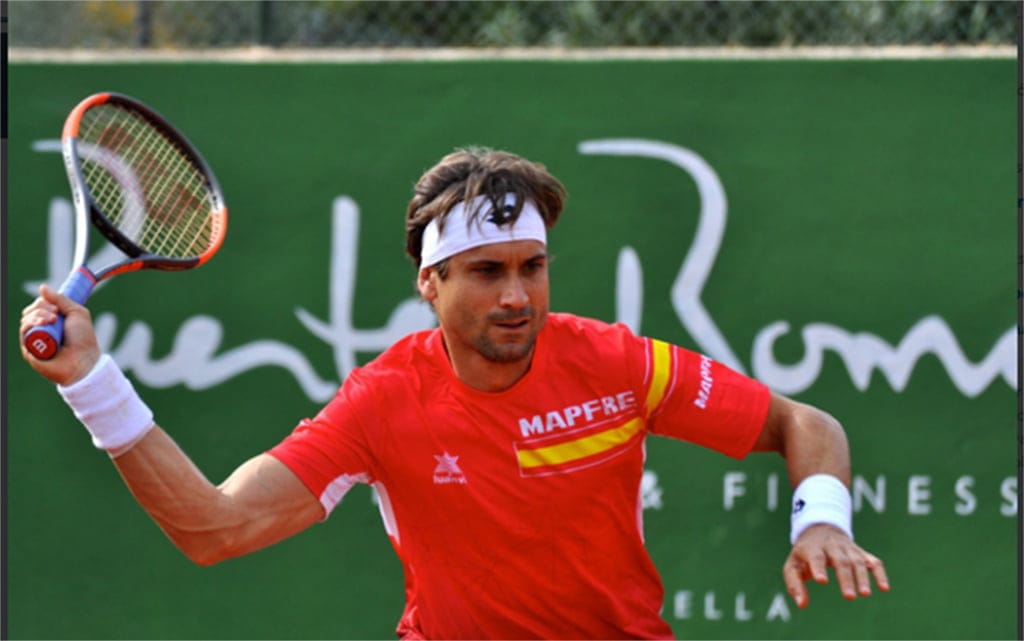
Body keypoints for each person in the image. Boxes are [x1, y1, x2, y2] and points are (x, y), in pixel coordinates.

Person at [21, 147, 888, 640]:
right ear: (429, 283)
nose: (516, 295)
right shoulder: (381, 402)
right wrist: (93, 384)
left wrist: (821, 520)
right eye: (485, 271)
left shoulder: (616, 363)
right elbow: (217, 527)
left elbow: (802, 423)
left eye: (531, 267)